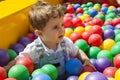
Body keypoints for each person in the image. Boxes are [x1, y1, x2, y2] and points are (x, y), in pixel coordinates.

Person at [4, 0, 96, 79]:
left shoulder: (65, 43)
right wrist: (5, 69)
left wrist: (85, 60)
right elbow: (18, 60)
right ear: (40, 33)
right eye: (55, 27)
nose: (62, 30)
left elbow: (77, 51)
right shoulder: (34, 48)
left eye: (62, 25)